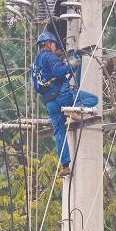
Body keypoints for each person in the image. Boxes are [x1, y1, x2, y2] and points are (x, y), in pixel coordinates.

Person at [31, 31, 99, 177]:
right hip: (63, 96)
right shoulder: (49, 56)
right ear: (49, 44)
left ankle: (65, 165)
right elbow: (58, 72)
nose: (55, 47)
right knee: (93, 100)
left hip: (50, 103)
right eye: (54, 44)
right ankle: (74, 111)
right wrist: (72, 65)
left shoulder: (36, 63)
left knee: (59, 131)